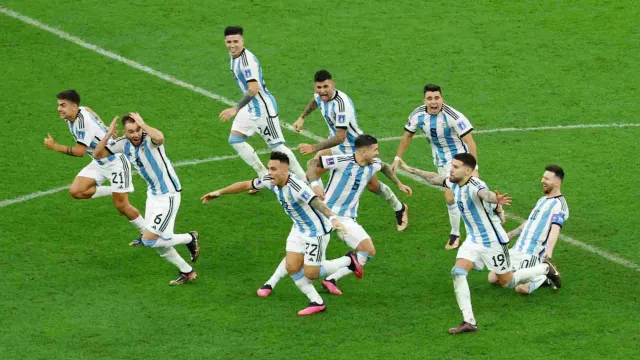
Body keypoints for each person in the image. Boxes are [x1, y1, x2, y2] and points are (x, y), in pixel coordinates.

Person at [398, 154, 561, 334]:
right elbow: (434, 178)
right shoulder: (453, 181)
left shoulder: (476, 185)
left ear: (468, 171)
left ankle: (545, 270)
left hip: (492, 242)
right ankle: (469, 321)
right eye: (451, 166)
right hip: (473, 240)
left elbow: (486, 194)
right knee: (458, 272)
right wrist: (409, 169)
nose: (451, 169)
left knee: (507, 282)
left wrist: (495, 199)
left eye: (455, 167)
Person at [201, 151, 363, 316]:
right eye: (269, 168)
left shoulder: (296, 186)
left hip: (315, 232)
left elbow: (315, 202)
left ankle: (348, 260)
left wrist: (333, 218)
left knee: (311, 273)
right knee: (292, 267)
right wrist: (219, 192)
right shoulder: (269, 180)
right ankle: (317, 301)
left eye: (274, 169)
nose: (270, 172)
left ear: (285, 171)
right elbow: (246, 185)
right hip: (298, 228)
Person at [258, 135, 412, 297]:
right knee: (297, 253)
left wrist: (399, 183)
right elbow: (312, 163)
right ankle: (271, 282)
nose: (378, 153)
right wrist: (315, 184)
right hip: (322, 215)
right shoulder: (342, 160)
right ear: (364, 151)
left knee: (368, 250)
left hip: (345, 219)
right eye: (375, 150)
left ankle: (332, 279)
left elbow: (385, 167)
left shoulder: (373, 164)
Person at [293, 70, 409, 231]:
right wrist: (302, 117)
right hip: (336, 146)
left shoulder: (342, 105)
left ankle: (399, 208)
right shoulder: (319, 96)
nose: (322, 91)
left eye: (325, 86)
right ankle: (315, 206)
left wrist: (313, 147)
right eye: (319, 87)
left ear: (333, 84)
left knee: (372, 185)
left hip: (355, 149)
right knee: (312, 172)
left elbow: (341, 136)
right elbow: (314, 102)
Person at [94, 113, 200, 286]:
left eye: (137, 130)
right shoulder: (123, 143)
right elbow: (98, 154)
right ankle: (187, 271)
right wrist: (108, 134)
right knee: (158, 241)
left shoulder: (150, 140)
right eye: (131, 131)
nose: (135, 134)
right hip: (153, 195)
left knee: (150, 240)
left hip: (169, 194)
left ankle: (190, 238)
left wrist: (144, 124)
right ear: (125, 132)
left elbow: (159, 137)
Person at [391, 84, 487, 249]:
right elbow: (407, 135)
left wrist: (474, 167)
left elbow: (470, 141)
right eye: (430, 98)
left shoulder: (453, 116)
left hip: (459, 160)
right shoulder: (417, 115)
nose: (434, 102)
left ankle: (455, 234)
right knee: (467, 193)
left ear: (442, 98)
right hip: (440, 162)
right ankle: (494, 207)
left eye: (437, 98)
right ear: (424, 100)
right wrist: (398, 157)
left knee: (451, 198)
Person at [44, 90, 145, 237]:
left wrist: (55, 147)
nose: (59, 109)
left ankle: (147, 234)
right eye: (59, 105)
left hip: (115, 162)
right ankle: (115, 190)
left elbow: (80, 152)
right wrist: (106, 130)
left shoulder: (82, 124)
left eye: (63, 105)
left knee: (122, 206)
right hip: (99, 161)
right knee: (76, 191)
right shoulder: (80, 110)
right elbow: (90, 110)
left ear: (73, 106)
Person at [219, 26, 305, 190]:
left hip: (263, 110)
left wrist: (236, 108)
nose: (232, 45)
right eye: (229, 42)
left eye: (236, 41)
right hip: (251, 107)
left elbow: (253, 88)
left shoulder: (246, 62)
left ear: (243, 41)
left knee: (277, 147)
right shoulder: (234, 56)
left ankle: (306, 180)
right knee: (235, 139)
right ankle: (262, 175)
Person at [488, 165, 569, 293]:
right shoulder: (542, 200)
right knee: (493, 278)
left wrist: (550, 250)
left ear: (557, 182)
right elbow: (530, 222)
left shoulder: (560, 205)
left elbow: (555, 230)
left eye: (547, 179)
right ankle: (537, 273)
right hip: (517, 248)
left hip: (532, 253)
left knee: (521, 288)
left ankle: (545, 271)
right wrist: (511, 234)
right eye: (543, 177)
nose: (542, 181)